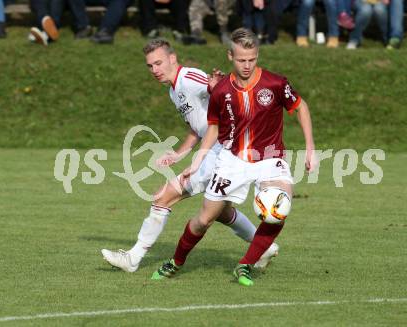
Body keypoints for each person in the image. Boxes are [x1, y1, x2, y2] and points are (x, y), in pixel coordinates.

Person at [151, 28, 315, 286]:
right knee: (204, 220)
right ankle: (176, 262)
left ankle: (245, 265)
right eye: (241, 59)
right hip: (232, 159)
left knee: (279, 208)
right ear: (230, 56)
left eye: (252, 59)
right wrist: (196, 162)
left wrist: (310, 148)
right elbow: (213, 128)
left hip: (270, 158)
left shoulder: (275, 83)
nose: (247, 65)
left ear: (257, 54)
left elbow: (300, 106)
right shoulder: (221, 90)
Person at [101, 38, 279, 273]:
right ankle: (264, 247)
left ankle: (133, 258)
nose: (154, 70)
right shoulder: (173, 91)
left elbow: (221, 90)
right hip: (217, 150)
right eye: (150, 66)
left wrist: (214, 85)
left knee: (163, 197)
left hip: (222, 151)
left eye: (158, 63)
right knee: (221, 212)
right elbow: (198, 127)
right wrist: (178, 154)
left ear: (172, 59)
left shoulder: (188, 77)